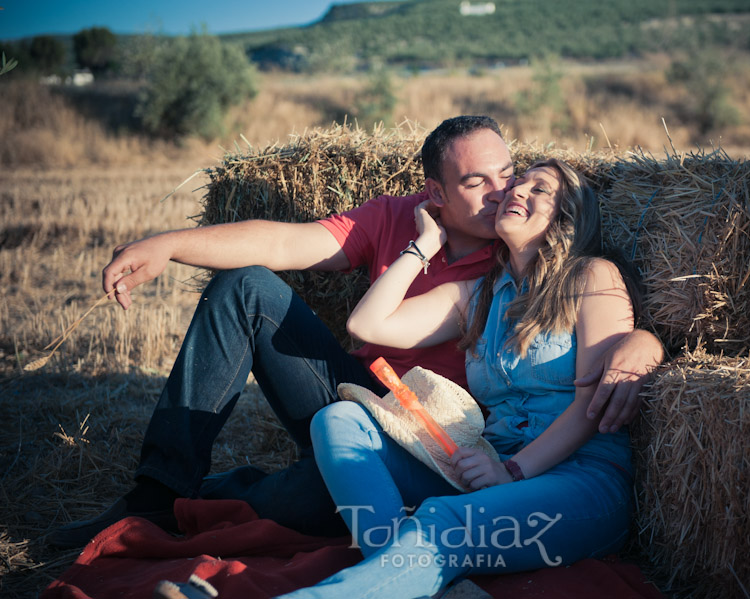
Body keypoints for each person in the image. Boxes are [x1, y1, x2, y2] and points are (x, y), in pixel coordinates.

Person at [49, 116, 663, 549]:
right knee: (245, 288)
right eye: (478, 181)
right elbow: (284, 243)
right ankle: (158, 492)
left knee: (305, 509)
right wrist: (168, 244)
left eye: (509, 172)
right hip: (355, 396)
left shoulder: (526, 257)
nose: (505, 190)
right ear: (437, 194)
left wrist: (645, 344)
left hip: (442, 435)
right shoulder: (397, 218)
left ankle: (231, 493)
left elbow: (608, 309)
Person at [278, 158, 642, 599]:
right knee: (338, 420)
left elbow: (593, 406)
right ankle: (403, 576)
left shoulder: (591, 276)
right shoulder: (480, 295)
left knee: (442, 522)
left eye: (539, 189)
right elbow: (367, 325)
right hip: (488, 466)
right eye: (516, 184)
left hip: (581, 479)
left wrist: (512, 471)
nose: (516, 192)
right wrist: (424, 245)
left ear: (567, 218)